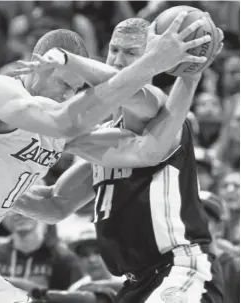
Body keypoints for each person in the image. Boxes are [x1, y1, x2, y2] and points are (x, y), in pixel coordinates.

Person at [0, 15, 212, 303]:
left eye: (75, 89)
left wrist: (189, 78)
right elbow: (64, 120)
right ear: (37, 64)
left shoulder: (64, 131)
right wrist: (152, 61)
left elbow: (147, 152)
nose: (66, 94)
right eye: (62, 83)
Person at [14, 17, 225, 303]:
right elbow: (55, 203)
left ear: (157, 58)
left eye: (131, 53)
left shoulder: (157, 108)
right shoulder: (107, 137)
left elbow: (123, 87)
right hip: (137, 283)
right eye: (114, 49)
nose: (118, 60)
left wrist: (68, 60)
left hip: (180, 269)